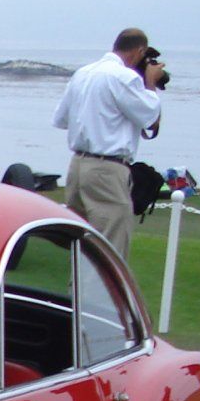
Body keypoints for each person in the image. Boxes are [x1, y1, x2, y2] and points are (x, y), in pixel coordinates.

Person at [51, 27, 166, 261]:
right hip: (107, 169)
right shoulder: (124, 77)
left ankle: (77, 294)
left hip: (77, 165)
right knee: (108, 246)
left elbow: (61, 119)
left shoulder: (83, 73)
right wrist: (150, 83)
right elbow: (150, 117)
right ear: (139, 51)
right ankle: (100, 298)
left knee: (80, 242)